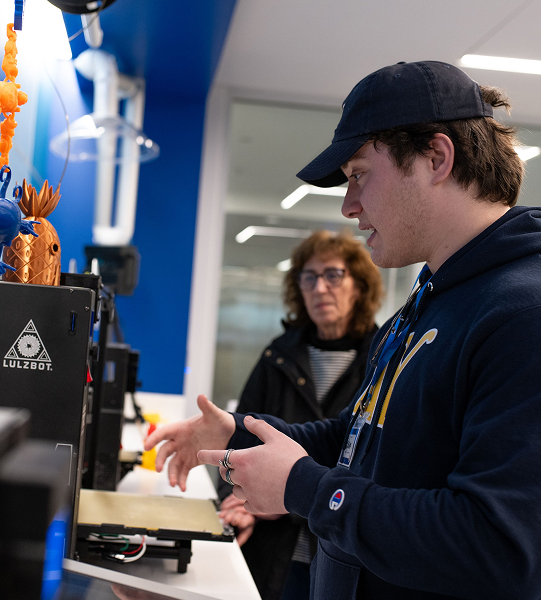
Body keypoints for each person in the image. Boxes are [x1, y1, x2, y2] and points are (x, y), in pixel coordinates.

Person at [146, 61, 541, 599]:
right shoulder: (425, 302)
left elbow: (496, 546)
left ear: (436, 157)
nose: (349, 205)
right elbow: (357, 438)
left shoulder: (522, 314)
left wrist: (303, 488)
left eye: (359, 175)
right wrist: (238, 435)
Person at [217, 230, 381, 600]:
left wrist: (285, 498)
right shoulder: (277, 357)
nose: (320, 288)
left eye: (333, 275)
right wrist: (240, 498)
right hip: (272, 554)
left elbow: (371, 465)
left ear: (359, 286)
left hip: (347, 549)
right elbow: (241, 437)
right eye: (309, 277)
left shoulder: (382, 359)